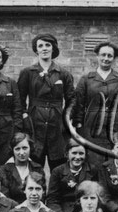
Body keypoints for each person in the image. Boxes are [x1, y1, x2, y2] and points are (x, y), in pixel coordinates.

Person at [72, 41, 118, 168]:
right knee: (93, 161)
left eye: (109, 56)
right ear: (97, 56)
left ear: (114, 58)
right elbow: (79, 104)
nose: (106, 58)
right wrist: (79, 125)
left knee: (116, 159)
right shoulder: (86, 79)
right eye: (103, 55)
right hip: (92, 126)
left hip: (117, 125)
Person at [18, 33, 75, 169]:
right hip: (34, 122)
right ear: (36, 49)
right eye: (40, 46)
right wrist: (25, 116)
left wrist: (66, 118)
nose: (44, 48)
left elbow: (72, 100)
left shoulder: (63, 73)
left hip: (57, 123)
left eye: (47, 45)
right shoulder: (28, 72)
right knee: (34, 165)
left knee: (59, 164)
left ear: (53, 48)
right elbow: (19, 98)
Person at [46, 139, 97, 212]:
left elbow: (97, 195)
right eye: (74, 153)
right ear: (67, 154)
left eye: (81, 153)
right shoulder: (57, 171)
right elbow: (52, 199)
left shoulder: (92, 170)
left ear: (86, 155)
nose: (77, 157)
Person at [0, 132, 47, 204]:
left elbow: (42, 195)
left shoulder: (37, 168)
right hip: (12, 208)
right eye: (17, 149)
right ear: (12, 150)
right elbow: (5, 197)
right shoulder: (4, 170)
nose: (21, 153)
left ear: (30, 148)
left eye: (25, 148)